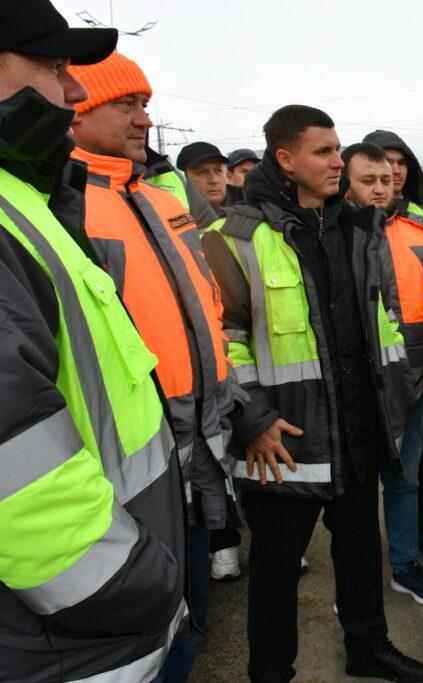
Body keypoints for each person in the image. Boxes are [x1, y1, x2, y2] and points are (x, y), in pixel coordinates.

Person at [202, 105, 423, 682]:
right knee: (276, 569)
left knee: (360, 551)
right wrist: (253, 419)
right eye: (323, 151)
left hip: (357, 426)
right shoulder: (233, 236)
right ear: (286, 159)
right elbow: (221, 337)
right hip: (284, 436)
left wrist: (394, 398)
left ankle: (367, 647)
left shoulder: (357, 227)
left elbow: (385, 318)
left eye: (337, 149)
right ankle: (271, 670)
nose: (337, 161)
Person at [0, 2, 189, 680]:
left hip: (109, 601)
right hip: (77, 626)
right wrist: (128, 581)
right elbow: (14, 458)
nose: (75, 88)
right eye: (55, 68)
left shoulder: (31, 198)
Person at [67, 51, 242, 683]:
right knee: (142, 628)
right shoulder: (62, 204)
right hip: (129, 465)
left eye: (145, 103)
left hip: (195, 446)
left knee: (188, 611)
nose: (145, 119)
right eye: (126, 104)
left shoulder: (158, 197)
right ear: (76, 108)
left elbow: (206, 308)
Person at [343, 141, 423, 605]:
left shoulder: (422, 228)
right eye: (368, 180)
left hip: (414, 378)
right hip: (356, 382)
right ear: (346, 182)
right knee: (355, 489)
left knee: (405, 479)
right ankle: (357, 580)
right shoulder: (331, 233)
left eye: (386, 179)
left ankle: (405, 566)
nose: (379, 188)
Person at [177, 140, 230, 212]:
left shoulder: (244, 209)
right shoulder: (170, 214)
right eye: (202, 172)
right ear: (183, 178)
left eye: (218, 170)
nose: (214, 180)